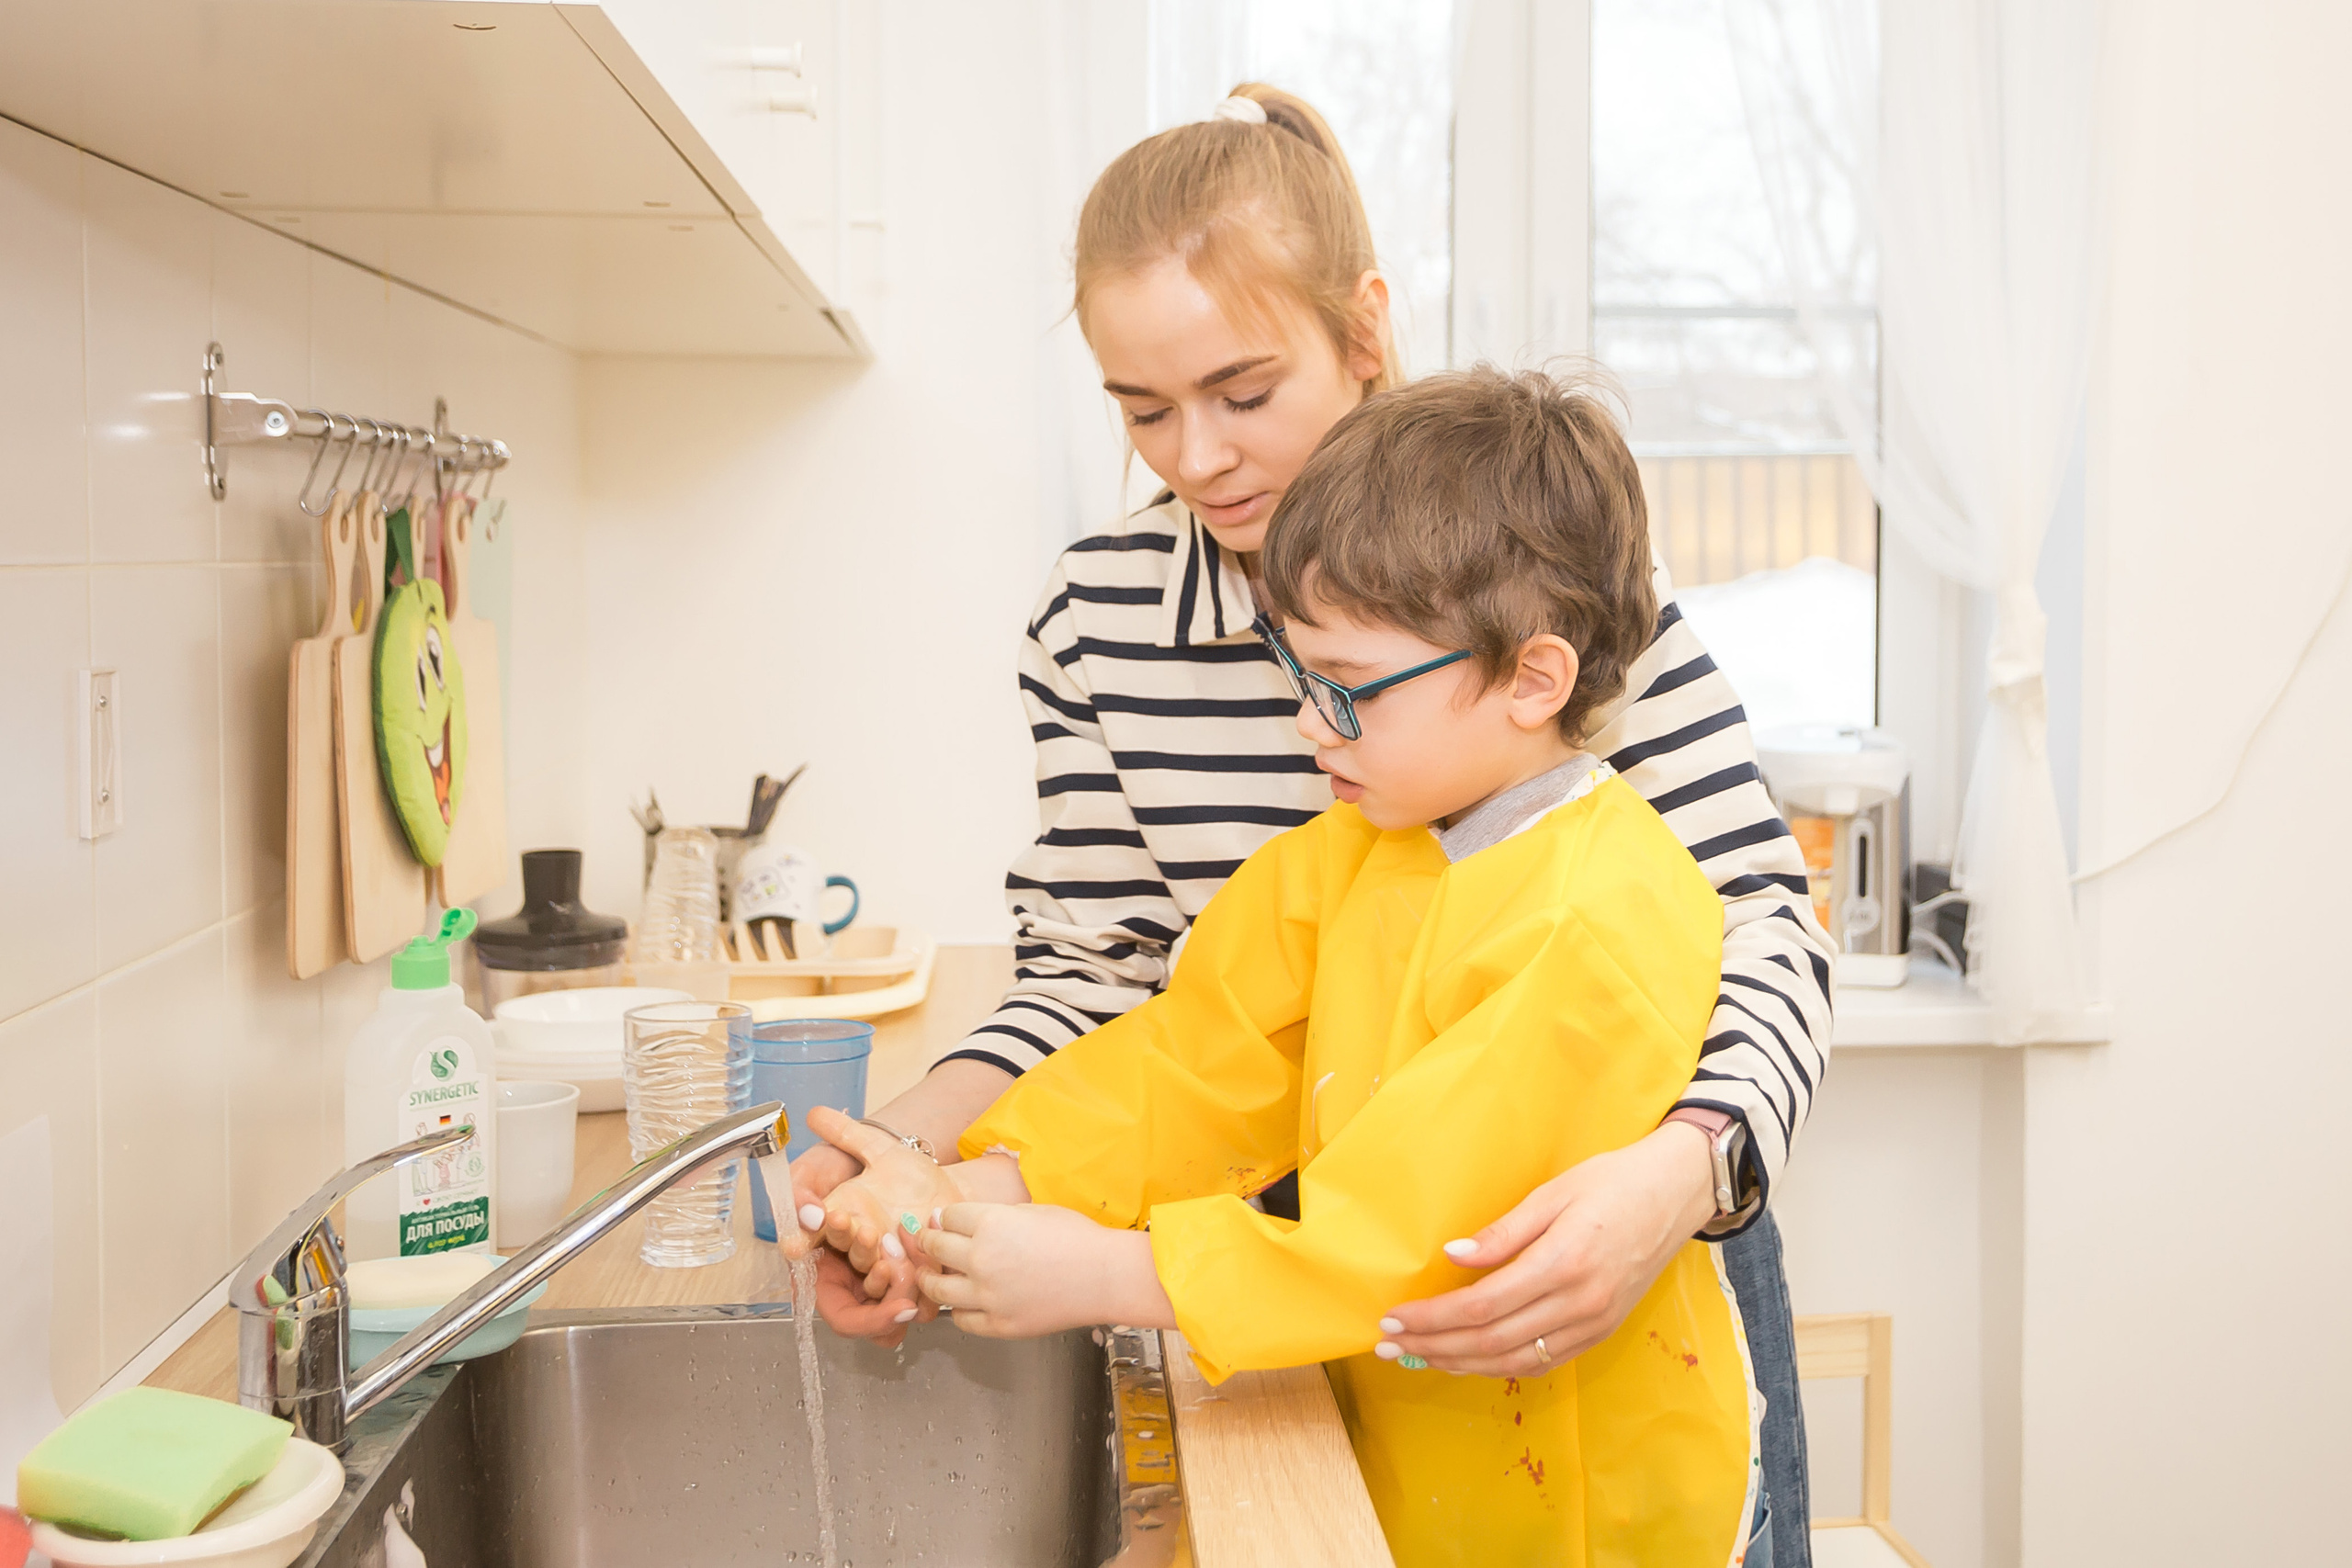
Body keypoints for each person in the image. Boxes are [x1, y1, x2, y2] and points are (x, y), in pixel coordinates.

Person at [790, 84, 1829, 1564]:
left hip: (1610, 1280)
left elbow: (1763, 930)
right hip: (1309, 1290)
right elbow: (1164, 1031)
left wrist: (1684, 1170)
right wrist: (948, 1176)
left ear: (1362, 330)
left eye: (1243, 392)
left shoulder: (1547, 619)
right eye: (1143, 411)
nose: (1196, 457)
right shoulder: (1277, 780)